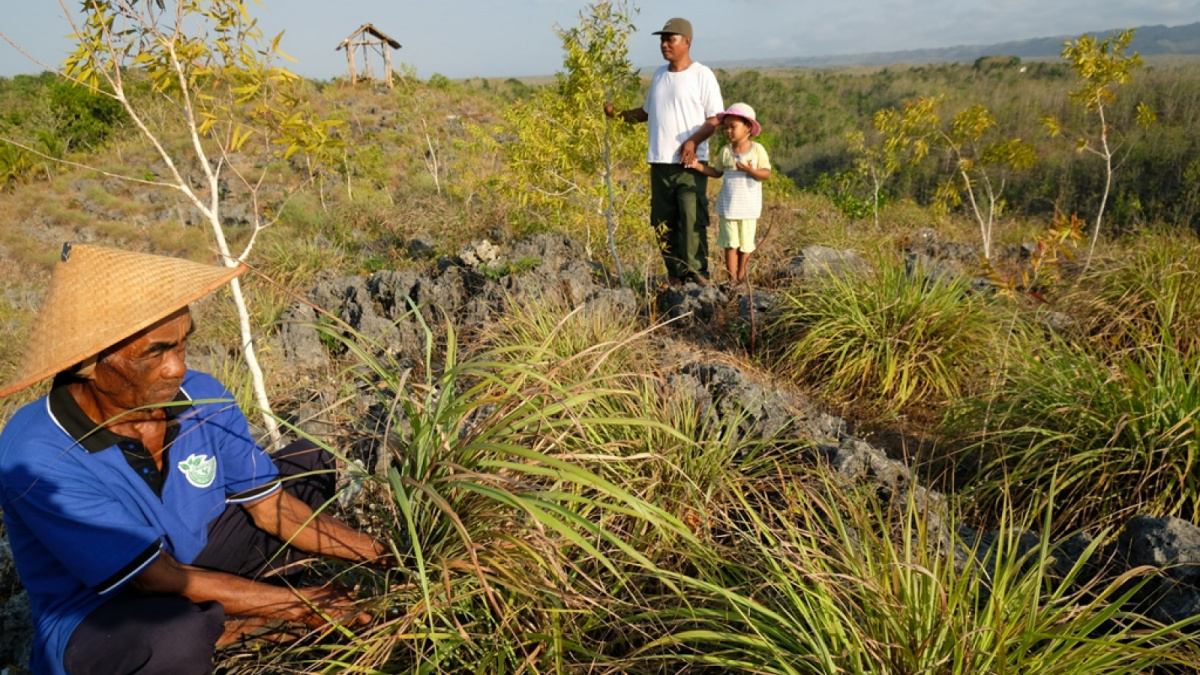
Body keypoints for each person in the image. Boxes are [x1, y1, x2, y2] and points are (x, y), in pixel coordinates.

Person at [0, 243, 392, 675]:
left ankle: (232, 622)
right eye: (155, 352)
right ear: (89, 362)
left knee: (307, 469)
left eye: (183, 344)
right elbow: (156, 578)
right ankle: (231, 627)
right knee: (174, 635)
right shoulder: (38, 455)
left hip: (190, 558)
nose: (177, 368)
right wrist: (299, 605)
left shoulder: (201, 397)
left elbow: (271, 508)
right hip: (106, 611)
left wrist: (386, 556)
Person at [605, 17, 724, 285]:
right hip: (659, 163)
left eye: (670, 39)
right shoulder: (659, 75)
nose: (664, 44)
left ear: (687, 42)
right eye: (662, 40)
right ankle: (675, 275)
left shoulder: (702, 75)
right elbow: (645, 113)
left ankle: (698, 276)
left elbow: (715, 119)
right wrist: (616, 115)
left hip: (690, 165)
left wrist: (692, 142)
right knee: (663, 221)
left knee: (692, 220)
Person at [687, 103, 772, 284]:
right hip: (729, 207)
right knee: (730, 244)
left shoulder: (757, 150)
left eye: (733, 127)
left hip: (748, 209)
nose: (728, 131)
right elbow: (716, 172)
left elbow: (766, 173)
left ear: (747, 127)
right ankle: (731, 280)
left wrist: (750, 171)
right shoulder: (725, 152)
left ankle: (742, 277)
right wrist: (697, 166)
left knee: (746, 245)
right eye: (725, 127)